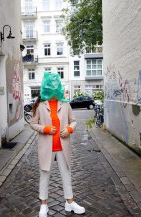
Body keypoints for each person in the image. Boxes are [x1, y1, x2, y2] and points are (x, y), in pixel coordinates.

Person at [30, 72, 85, 217]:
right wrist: (45, 129)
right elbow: (33, 124)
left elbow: (73, 121)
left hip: (62, 146)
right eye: (51, 87)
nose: (53, 90)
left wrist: (69, 129)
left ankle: (70, 202)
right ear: (46, 88)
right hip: (47, 147)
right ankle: (43, 205)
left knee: (66, 174)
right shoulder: (41, 106)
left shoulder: (65, 105)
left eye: (55, 87)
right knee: (44, 175)